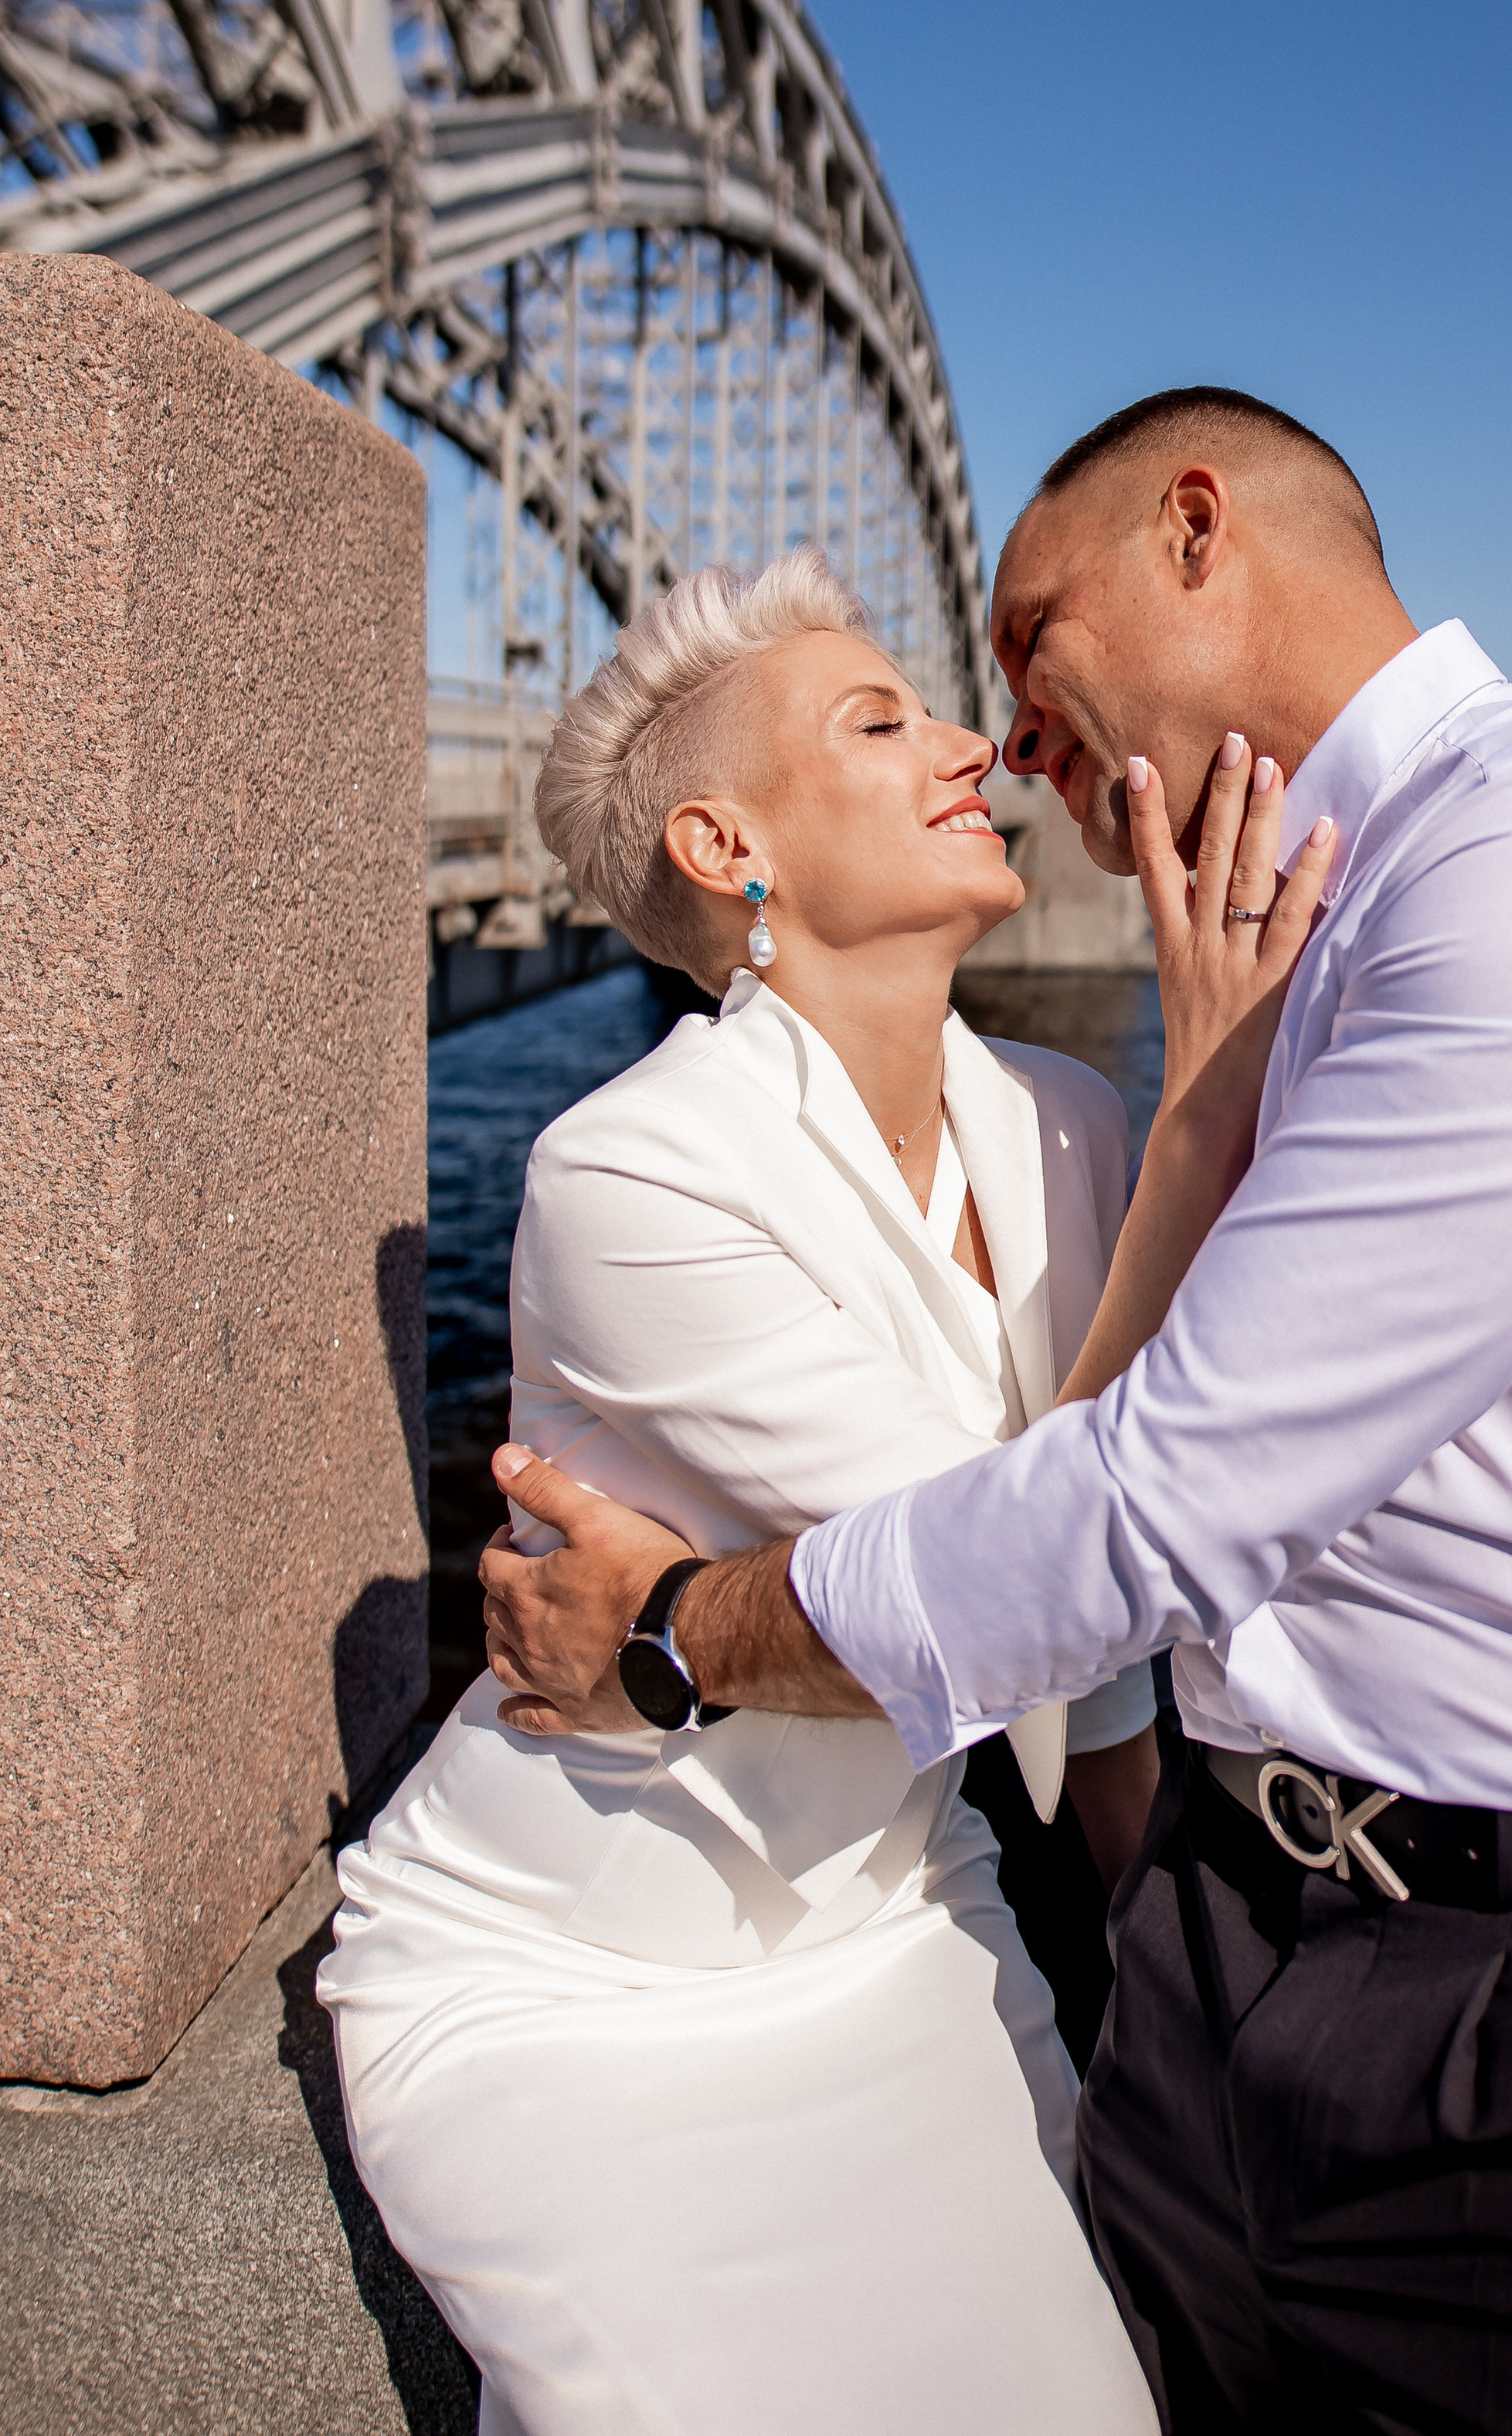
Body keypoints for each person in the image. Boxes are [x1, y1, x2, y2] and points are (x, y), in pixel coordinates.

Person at [484, 389, 1512, 2436]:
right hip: (1226, 1968)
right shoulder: (1280, 946)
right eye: (922, 705)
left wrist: (677, 1628)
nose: (1009, 733)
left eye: (1023, 641)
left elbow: (1167, 1494)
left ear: (1194, 533)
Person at [320, 545, 1328, 2436]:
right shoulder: (625, 1175)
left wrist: (1163, 1999)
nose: (968, 746)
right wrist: (1205, 1116)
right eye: (884, 721)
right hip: (578, 1983)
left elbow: (1098, 1661)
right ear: (726, 849)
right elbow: (1013, 1582)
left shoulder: (1067, 1120)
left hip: (897, 1921)